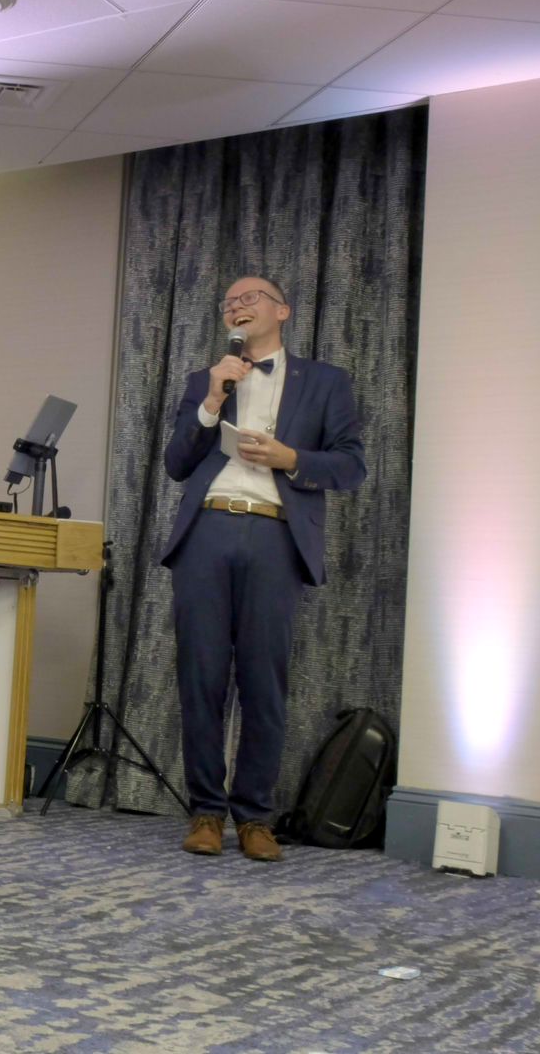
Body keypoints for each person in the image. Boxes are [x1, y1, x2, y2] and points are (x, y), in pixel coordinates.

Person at [161, 275, 365, 862]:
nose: (237, 304)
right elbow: (177, 462)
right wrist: (211, 400)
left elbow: (351, 466)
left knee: (263, 680)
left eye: (249, 297)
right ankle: (205, 812)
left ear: (283, 310)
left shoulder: (326, 381)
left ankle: (255, 817)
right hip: (208, 529)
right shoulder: (209, 378)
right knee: (199, 677)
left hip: (276, 533)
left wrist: (290, 458)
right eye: (229, 300)